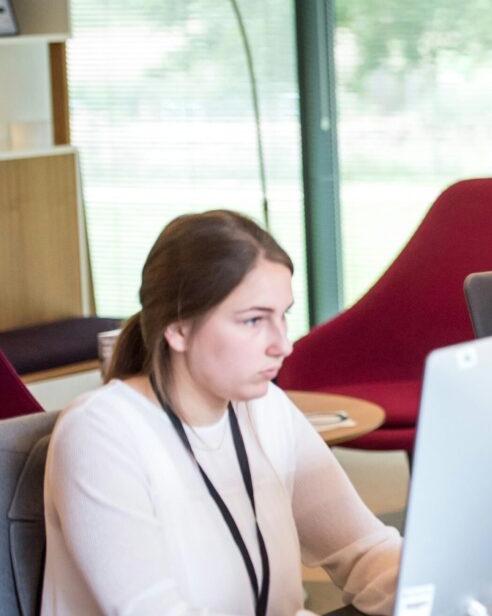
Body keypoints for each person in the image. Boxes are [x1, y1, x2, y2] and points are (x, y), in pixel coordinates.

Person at [42, 211, 400, 615]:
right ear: (177, 329)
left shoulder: (265, 409)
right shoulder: (100, 433)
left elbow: (364, 550)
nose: (283, 345)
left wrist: (439, 588)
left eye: (283, 316)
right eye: (253, 321)